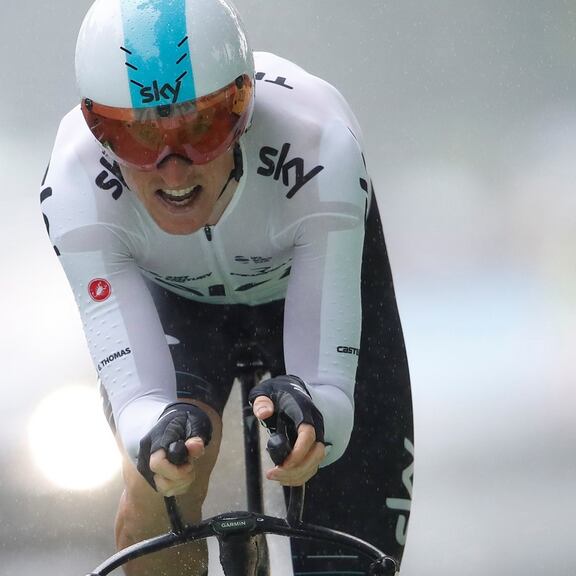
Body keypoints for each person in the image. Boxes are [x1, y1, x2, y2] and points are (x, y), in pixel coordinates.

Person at [38, 0, 414, 574]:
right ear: (99, 131)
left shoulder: (319, 147)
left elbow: (331, 396)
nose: (174, 168)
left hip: (304, 290)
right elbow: (140, 401)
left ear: (244, 108)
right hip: (180, 307)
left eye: (201, 126)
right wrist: (155, 437)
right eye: (139, 137)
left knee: (341, 537)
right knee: (161, 478)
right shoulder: (73, 184)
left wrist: (317, 418)